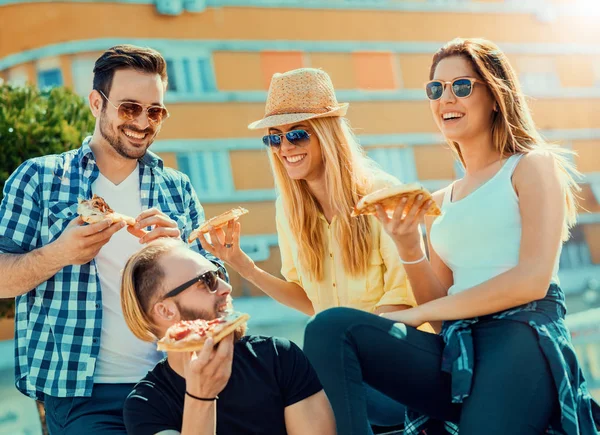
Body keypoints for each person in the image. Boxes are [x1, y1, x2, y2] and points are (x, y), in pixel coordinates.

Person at [302, 38, 600, 435]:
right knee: (329, 328)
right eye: (435, 89)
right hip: (459, 347)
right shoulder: (441, 200)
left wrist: (417, 314)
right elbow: (443, 312)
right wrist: (409, 248)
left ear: (494, 97)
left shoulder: (530, 166)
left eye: (461, 86)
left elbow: (532, 280)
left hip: (522, 337)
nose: (446, 98)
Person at [0, 45, 224, 434]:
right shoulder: (40, 178)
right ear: (95, 104)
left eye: (155, 111)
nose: (142, 121)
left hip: (174, 381)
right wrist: (60, 253)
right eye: (128, 107)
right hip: (82, 396)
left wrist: (187, 257)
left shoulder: (176, 187)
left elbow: (219, 292)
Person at [201, 67, 423, 429]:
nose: (285, 148)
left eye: (297, 134)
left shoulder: (381, 194)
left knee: (308, 368)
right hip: (343, 368)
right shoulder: (289, 211)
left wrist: (346, 352)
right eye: (274, 138)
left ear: (326, 135)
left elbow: (404, 294)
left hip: (399, 372)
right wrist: (243, 265)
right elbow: (310, 301)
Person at [120, 238, 336, 435]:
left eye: (218, 273)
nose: (226, 287)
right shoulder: (147, 405)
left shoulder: (279, 357)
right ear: (166, 311)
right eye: (206, 280)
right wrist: (201, 397)